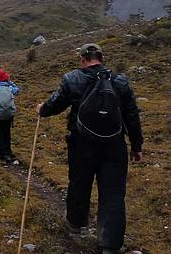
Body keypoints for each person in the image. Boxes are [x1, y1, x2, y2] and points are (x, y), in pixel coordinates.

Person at [36, 43, 143, 254]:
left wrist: (41, 109)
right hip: (114, 146)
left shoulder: (72, 79)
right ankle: (111, 244)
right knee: (112, 193)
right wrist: (137, 146)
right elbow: (132, 115)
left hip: (81, 144)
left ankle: (75, 224)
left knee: (79, 183)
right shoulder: (120, 82)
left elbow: (54, 105)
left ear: (83, 59)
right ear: (101, 58)